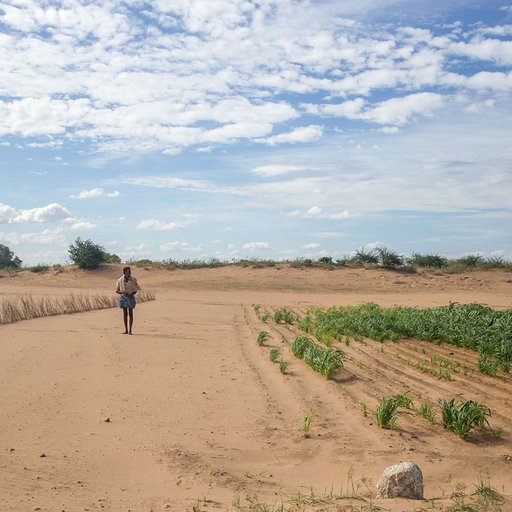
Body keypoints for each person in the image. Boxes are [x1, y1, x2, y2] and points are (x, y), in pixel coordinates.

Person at [116, 266, 141, 334]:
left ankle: (130, 330)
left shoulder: (133, 279)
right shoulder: (120, 280)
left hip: (131, 297)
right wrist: (123, 292)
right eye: (128, 271)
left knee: (130, 314)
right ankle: (126, 330)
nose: (130, 273)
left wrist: (131, 294)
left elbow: (136, 289)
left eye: (130, 271)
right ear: (124, 272)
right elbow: (117, 291)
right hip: (123, 298)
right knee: (125, 314)